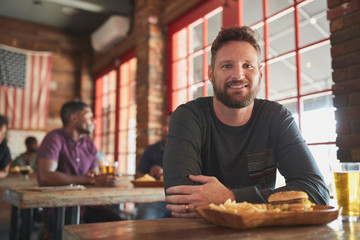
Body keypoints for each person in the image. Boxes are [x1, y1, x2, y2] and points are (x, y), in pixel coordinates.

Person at [163, 26, 330, 217]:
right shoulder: (189, 116)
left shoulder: (277, 117)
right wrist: (262, 201)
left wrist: (231, 197)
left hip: (261, 233)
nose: (238, 75)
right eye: (227, 66)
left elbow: (317, 192)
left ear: (260, 73)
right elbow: (181, 198)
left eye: (247, 66)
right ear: (211, 74)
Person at [36, 101, 121, 239]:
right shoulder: (54, 138)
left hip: (88, 207)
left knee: (121, 227)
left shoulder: (89, 144)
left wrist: (102, 179)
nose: (94, 120)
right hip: (59, 208)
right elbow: (45, 177)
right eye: (89, 116)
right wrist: (90, 179)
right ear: (74, 118)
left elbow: (93, 174)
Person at [135, 114, 172, 219]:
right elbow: (137, 176)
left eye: (170, 125)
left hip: (181, 201)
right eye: (165, 124)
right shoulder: (151, 150)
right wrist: (150, 174)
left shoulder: (188, 150)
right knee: (146, 215)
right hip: (155, 200)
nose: (165, 129)